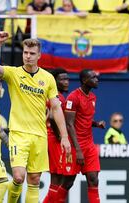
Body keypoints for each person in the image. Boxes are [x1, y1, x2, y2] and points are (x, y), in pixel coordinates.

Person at [0, 31, 71, 203]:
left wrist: (65, 137)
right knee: (18, 177)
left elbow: (56, 107)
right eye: (25, 53)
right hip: (19, 134)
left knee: (34, 180)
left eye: (32, 53)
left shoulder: (47, 78)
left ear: (39, 55)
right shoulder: (13, 74)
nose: (28, 56)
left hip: (39, 135)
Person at [60, 69, 106, 203]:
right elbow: (69, 124)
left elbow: (84, 119)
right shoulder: (73, 98)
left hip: (89, 145)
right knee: (68, 182)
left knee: (93, 179)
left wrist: (96, 124)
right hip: (75, 146)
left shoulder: (92, 97)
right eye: (94, 77)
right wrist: (78, 150)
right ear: (85, 80)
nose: (97, 80)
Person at [42, 68, 78, 203]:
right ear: (54, 81)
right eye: (62, 79)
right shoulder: (57, 97)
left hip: (48, 137)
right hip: (54, 139)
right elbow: (52, 116)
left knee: (58, 178)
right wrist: (60, 136)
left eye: (67, 79)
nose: (66, 82)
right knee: (57, 178)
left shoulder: (49, 95)